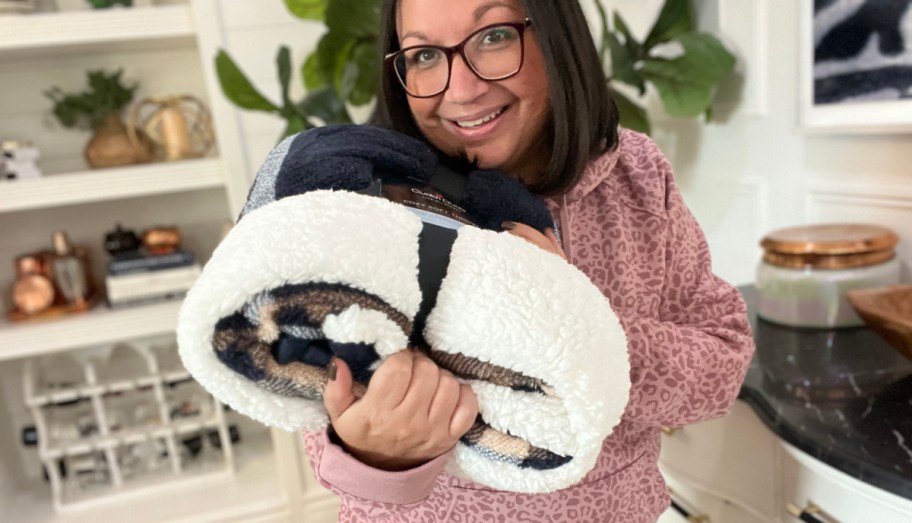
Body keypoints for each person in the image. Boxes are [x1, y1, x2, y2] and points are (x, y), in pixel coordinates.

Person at [302, 0, 755, 521]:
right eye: (424, 54)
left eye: (493, 36)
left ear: (557, 35)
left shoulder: (638, 174)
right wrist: (375, 454)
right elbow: (326, 447)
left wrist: (577, 325)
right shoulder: (365, 198)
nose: (461, 90)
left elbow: (720, 370)